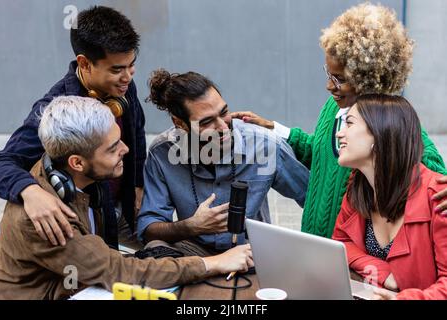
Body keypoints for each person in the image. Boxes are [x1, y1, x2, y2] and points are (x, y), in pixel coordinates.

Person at [0, 96, 253, 300]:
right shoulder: (45, 220)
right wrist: (213, 263)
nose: (126, 149)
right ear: (77, 162)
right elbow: (119, 272)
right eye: (112, 148)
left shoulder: (70, 176)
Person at [231, 3, 447, 238]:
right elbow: (322, 153)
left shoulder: (392, 124)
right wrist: (276, 129)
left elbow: (435, 173)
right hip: (316, 245)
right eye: (329, 74)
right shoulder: (333, 107)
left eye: (339, 79)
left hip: (353, 259)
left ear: (369, 78)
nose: (329, 86)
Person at [0, 6, 146, 249]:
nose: (128, 76)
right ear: (84, 63)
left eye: (131, 65)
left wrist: (138, 184)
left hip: (122, 211)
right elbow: (2, 162)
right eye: (117, 69)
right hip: (82, 224)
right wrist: (30, 191)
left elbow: (137, 134)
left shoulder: (124, 87)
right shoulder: (53, 112)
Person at [137, 69, 309, 255]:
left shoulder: (265, 144)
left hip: (253, 252)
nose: (222, 127)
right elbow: (148, 229)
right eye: (206, 121)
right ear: (180, 124)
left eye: (224, 112)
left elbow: (312, 199)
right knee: (153, 251)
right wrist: (191, 227)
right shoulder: (162, 152)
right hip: (193, 254)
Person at [332, 94, 447, 300]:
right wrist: (384, 273)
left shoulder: (438, 196)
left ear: (379, 133)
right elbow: (341, 242)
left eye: (349, 123)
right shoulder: (357, 187)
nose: (340, 133)